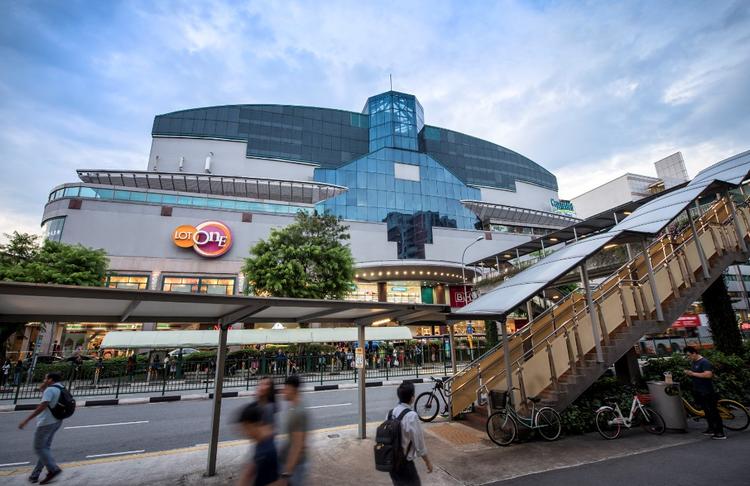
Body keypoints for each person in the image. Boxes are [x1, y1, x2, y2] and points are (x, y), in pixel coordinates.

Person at [18, 372, 66, 484]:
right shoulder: (60, 387)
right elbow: (42, 390)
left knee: (39, 448)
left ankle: (53, 469)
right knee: (44, 449)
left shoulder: (50, 390)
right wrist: (45, 384)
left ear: (51, 379)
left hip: (46, 423)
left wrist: (26, 420)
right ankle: (35, 474)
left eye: (46, 378)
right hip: (57, 421)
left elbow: (42, 406)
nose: (44, 380)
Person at [387, 382, 433, 485]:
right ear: (412, 398)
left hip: (391, 462)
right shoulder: (412, 416)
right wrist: (427, 462)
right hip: (405, 464)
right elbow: (419, 444)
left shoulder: (390, 413)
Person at [684, 346, 725, 439]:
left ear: (694, 353)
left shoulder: (704, 362)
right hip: (699, 390)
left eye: (689, 355)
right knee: (707, 411)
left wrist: (692, 373)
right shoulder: (694, 362)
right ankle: (711, 428)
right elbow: (698, 374)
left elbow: (708, 375)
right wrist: (690, 373)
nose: (688, 357)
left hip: (707, 390)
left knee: (713, 411)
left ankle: (720, 432)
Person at [236, 402, 279, 486]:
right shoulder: (262, 442)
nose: (244, 432)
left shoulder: (267, 451)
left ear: (256, 424)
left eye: (246, 428)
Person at [280, 375, 307, 485]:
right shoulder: (293, 408)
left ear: (292, 389)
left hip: (296, 466)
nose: (283, 392)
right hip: (293, 463)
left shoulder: (298, 412)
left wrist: (287, 473)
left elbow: (297, 446)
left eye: (285, 389)